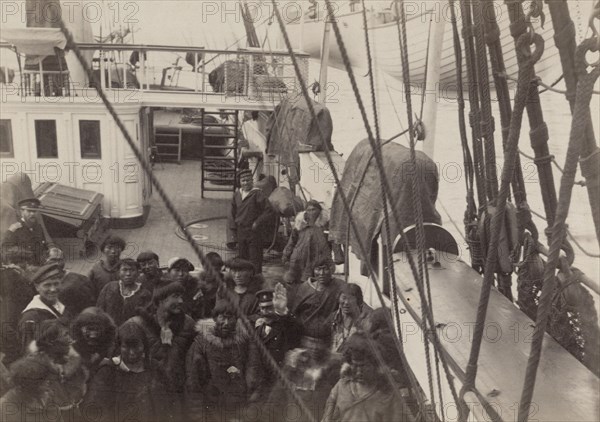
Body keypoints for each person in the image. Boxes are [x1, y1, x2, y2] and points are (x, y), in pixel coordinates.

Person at [83, 321, 175, 422]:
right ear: (119, 346)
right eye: (126, 346)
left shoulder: (155, 369)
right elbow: (94, 411)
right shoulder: (108, 373)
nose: (132, 352)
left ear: (144, 346)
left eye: (136, 346)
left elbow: (171, 403)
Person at [322, 332, 415, 422]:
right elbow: (327, 418)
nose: (358, 372)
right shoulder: (341, 387)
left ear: (375, 366)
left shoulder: (388, 395)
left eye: (363, 366)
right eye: (355, 365)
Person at [185, 301, 254, 422]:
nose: (226, 323)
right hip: (212, 411)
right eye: (222, 317)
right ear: (215, 318)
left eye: (230, 318)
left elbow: (253, 375)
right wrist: (198, 417)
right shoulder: (201, 344)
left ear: (237, 319)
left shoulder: (244, 342)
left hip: (240, 409)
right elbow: (193, 384)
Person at [127, 281, 196, 397]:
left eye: (181, 297)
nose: (181, 301)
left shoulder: (188, 324)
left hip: (178, 393)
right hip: (146, 394)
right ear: (160, 300)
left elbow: (194, 360)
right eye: (175, 297)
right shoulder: (136, 325)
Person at [266, 320, 342, 422]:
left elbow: (337, 403)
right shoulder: (294, 363)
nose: (314, 347)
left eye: (319, 343)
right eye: (311, 341)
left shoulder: (334, 367)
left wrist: (321, 378)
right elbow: (277, 396)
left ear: (327, 344)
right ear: (304, 341)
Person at [247, 286, 301, 403]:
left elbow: (294, 328)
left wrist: (283, 312)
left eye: (270, 308)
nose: (265, 312)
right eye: (262, 308)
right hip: (260, 383)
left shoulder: (285, 327)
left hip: (279, 384)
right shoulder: (257, 328)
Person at [24, 320, 88, 418]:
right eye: (65, 335)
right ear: (51, 341)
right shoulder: (39, 366)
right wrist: (75, 359)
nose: (71, 339)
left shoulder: (63, 357)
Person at [227, 168, 276, 274]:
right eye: (243, 180)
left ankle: (256, 279)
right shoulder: (237, 195)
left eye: (248, 180)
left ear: (252, 181)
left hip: (254, 232)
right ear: (239, 182)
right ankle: (244, 278)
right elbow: (232, 214)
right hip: (241, 231)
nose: (246, 183)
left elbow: (269, 211)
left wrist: (257, 222)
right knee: (242, 257)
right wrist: (232, 234)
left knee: (255, 258)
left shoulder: (257, 194)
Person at [19, 263, 65, 351]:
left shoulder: (62, 305)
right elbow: (30, 354)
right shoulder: (30, 318)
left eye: (56, 284)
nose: (53, 289)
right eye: (47, 285)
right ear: (37, 287)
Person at [283, 200, 332, 281]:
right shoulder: (300, 225)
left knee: (319, 280)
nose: (311, 212)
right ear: (305, 212)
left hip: (319, 258)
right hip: (300, 257)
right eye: (309, 210)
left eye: (314, 210)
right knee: (298, 281)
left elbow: (332, 242)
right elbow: (292, 241)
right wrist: (286, 254)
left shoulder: (325, 226)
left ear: (319, 211)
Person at [288, 258, 344, 328]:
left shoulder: (339, 285)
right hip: (306, 333)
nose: (321, 273)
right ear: (313, 270)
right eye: (318, 269)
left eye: (325, 269)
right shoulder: (304, 288)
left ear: (332, 270)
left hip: (330, 333)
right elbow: (293, 312)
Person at [96, 259, 152, 327]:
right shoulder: (109, 288)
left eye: (132, 270)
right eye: (124, 270)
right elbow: (98, 311)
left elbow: (147, 320)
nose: (128, 274)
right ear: (118, 272)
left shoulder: (144, 294)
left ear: (138, 273)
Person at [46, 249, 95, 324]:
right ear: (46, 261)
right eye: (53, 260)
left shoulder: (79, 280)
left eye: (60, 260)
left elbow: (89, 305)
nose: (57, 263)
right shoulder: (42, 281)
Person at [0, 355, 54, 422]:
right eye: (44, 381)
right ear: (30, 384)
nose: (48, 384)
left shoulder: (45, 398)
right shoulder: (4, 408)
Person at [1, 198, 51, 266]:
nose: (32, 214)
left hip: (39, 267)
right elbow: (5, 249)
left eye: (35, 211)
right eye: (29, 211)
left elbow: (44, 247)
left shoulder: (38, 228)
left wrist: (52, 250)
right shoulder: (15, 229)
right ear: (21, 212)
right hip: (22, 270)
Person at [71, 307, 116, 377]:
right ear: (79, 328)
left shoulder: (112, 350)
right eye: (89, 329)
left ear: (106, 330)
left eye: (97, 330)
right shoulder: (72, 350)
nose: (92, 336)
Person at [331, 283, 372, 352]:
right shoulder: (332, 319)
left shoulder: (365, 322)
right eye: (344, 298)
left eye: (351, 298)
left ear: (358, 301)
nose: (346, 302)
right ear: (338, 299)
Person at [196, 252, 225, 319]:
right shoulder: (200, 281)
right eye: (208, 269)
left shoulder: (223, 281)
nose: (212, 273)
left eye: (216, 269)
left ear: (220, 268)